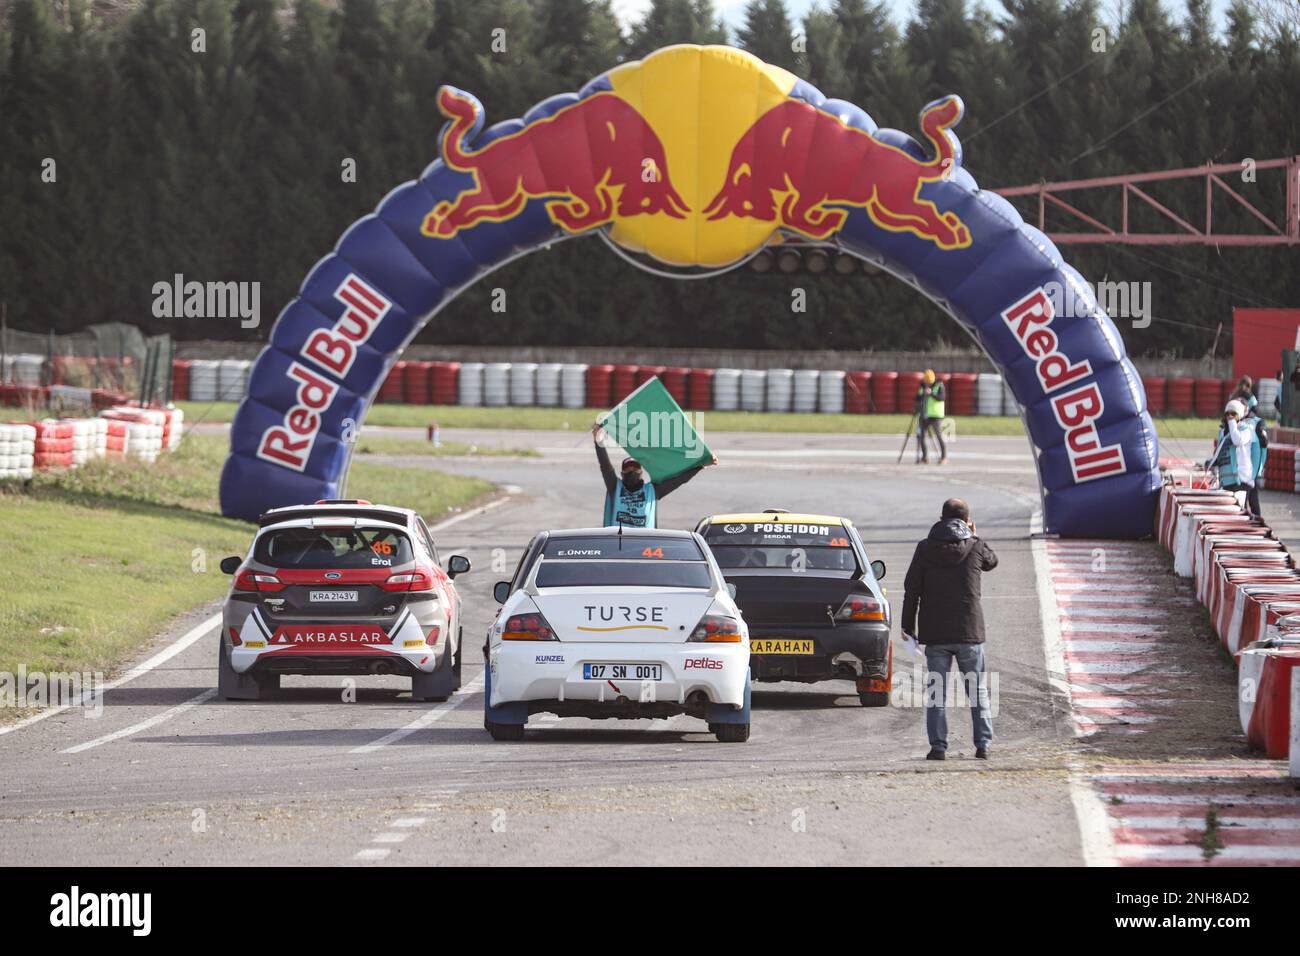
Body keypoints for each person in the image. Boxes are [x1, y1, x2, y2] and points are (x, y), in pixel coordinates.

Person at [901, 498, 997, 760]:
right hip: (970, 632)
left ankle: (938, 747)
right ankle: (983, 745)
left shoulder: (924, 548)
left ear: (940, 518)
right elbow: (992, 562)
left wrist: (907, 627)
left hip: (936, 633)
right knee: (977, 691)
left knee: (937, 694)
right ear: (967, 521)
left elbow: (912, 590)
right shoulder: (976, 546)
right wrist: (974, 535)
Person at [592, 422, 716, 528]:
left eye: (635, 468)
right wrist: (599, 441)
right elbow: (605, 467)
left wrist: (700, 465)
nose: (631, 471)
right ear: (622, 473)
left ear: (641, 472)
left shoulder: (653, 491)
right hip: (618, 544)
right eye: (628, 469)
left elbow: (679, 480)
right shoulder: (615, 487)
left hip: (645, 549)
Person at [1212, 399, 1265, 518]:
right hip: (1227, 481)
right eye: (1227, 414)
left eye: (1233, 414)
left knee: (1241, 512)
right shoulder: (1225, 432)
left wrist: (1232, 424)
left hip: (1242, 480)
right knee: (1229, 513)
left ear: (1240, 415)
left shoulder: (1246, 429)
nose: (1230, 417)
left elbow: (1237, 440)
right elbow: (1220, 452)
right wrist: (1211, 463)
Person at [913, 369, 947, 465]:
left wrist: (931, 393)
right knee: (920, 436)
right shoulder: (922, 386)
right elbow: (917, 397)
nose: (927, 383)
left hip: (936, 415)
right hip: (924, 415)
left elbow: (942, 397)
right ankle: (925, 457)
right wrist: (922, 394)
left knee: (939, 436)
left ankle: (944, 457)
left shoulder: (939, 385)